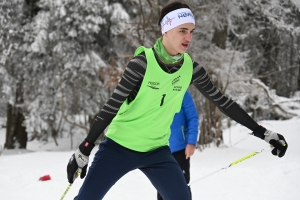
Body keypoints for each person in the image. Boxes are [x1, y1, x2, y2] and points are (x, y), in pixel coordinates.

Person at [67, 2, 288, 200]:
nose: (188, 38)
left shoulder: (190, 69)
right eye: (183, 31)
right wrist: (85, 148)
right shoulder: (142, 64)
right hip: (119, 147)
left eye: (191, 31)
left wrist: (264, 133)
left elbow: (223, 102)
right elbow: (111, 106)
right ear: (166, 29)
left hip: (157, 151)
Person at [157, 90, 199, 200]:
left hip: (180, 149)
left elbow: (192, 117)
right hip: (159, 149)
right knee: (162, 186)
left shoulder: (183, 93)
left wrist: (191, 142)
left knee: (182, 186)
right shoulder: (155, 92)